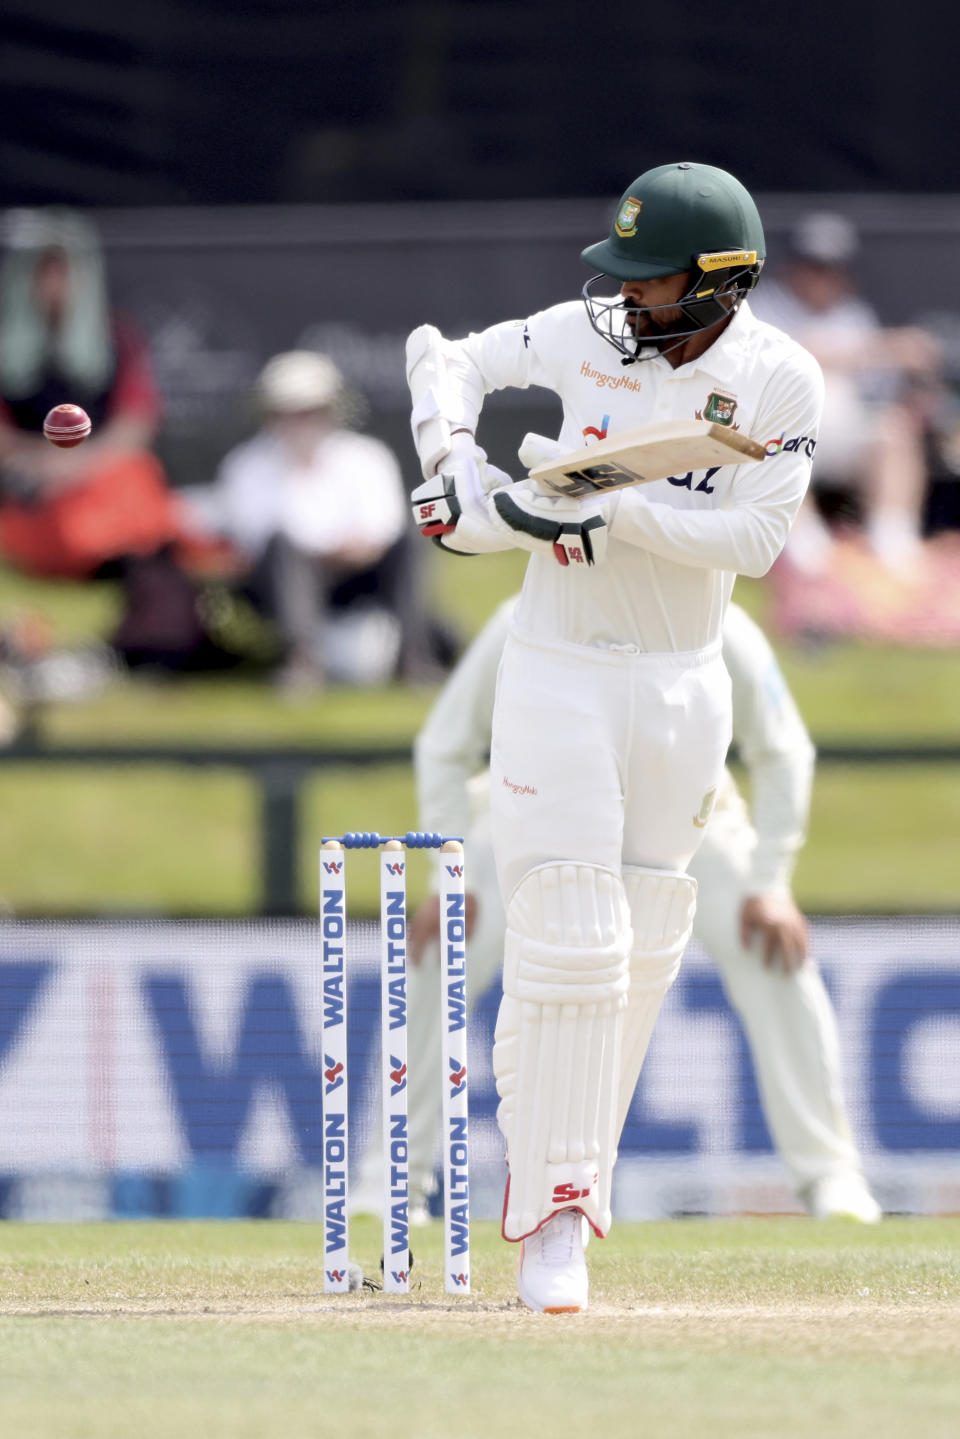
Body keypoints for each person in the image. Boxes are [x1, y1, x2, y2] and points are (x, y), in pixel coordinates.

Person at [404, 161, 824, 1313]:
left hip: (687, 685)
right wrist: (454, 462)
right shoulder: (579, 338)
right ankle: (550, 1221)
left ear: (719, 285)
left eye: (652, 279)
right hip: (560, 670)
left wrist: (609, 505)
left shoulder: (779, 381)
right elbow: (445, 356)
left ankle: (574, 1185)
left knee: (644, 939)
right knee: (572, 933)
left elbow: (754, 542)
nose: (627, 297)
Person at [349, 596, 880, 1231]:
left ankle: (832, 1179)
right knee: (439, 950)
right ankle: (390, 1186)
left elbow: (784, 748)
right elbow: (444, 742)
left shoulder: (715, 616)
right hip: (540, 814)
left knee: (774, 944)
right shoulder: (528, 615)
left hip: (688, 819)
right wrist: (447, 873)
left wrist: (771, 884)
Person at [0, 207, 228, 676]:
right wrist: (45, 464)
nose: (55, 283)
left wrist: (77, 465)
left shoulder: (116, 339)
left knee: (137, 483)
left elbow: (134, 424)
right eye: (45, 271)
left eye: (64, 269)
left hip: (99, 482)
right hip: (33, 495)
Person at [195, 350, 433, 689]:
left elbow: (384, 530)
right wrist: (335, 548)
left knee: (411, 540)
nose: (299, 422)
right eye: (288, 412)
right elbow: (256, 542)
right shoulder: (246, 466)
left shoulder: (367, 457)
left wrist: (351, 549)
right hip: (281, 585)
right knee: (283, 550)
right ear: (270, 414)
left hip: (360, 579)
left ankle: (416, 659)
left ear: (330, 411)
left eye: (309, 411)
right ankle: (301, 663)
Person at [750, 212, 942, 575]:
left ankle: (894, 547)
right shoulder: (763, 306)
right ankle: (807, 559)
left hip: (844, 430)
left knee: (893, 432)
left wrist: (909, 388)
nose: (823, 278)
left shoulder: (853, 314)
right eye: (814, 267)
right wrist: (887, 348)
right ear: (794, 267)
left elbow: (874, 389)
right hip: (778, 433)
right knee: (774, 437)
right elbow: (799, 355)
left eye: (831, 269)